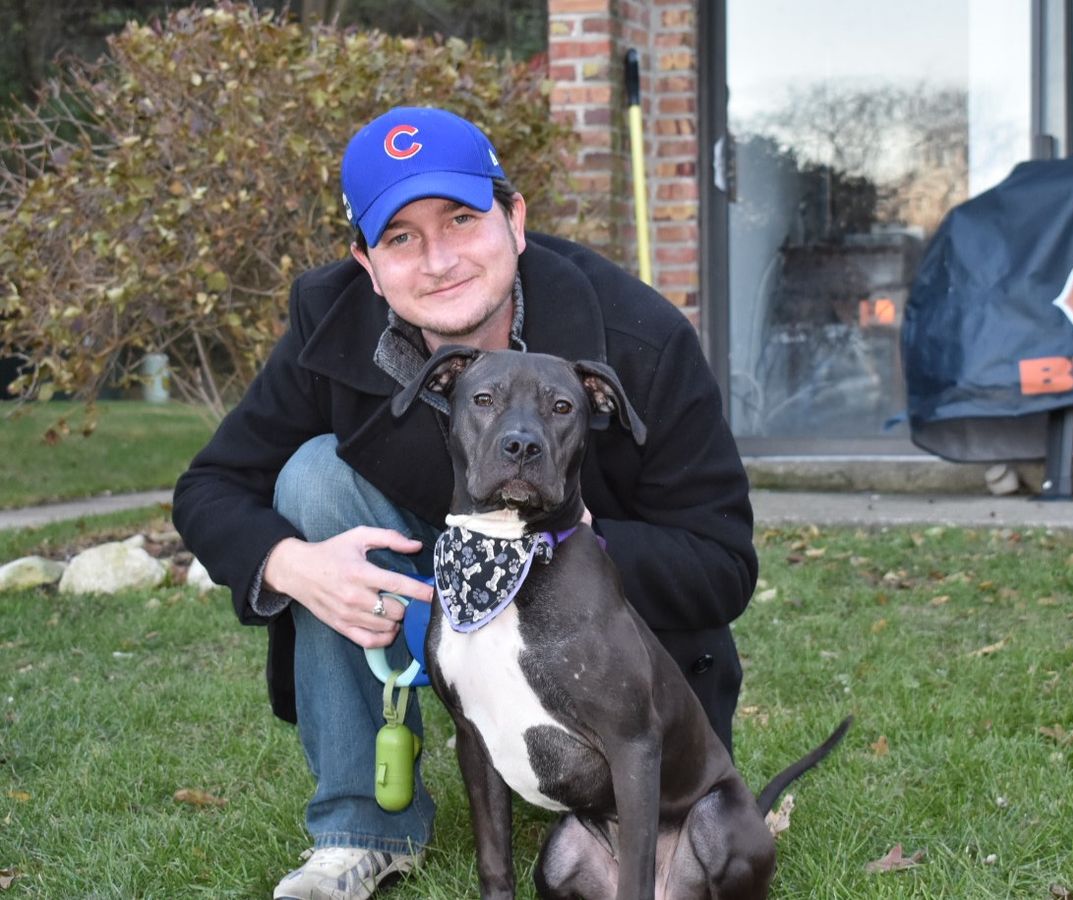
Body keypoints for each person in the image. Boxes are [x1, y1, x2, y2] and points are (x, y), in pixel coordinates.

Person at [173, 106, 757, 900]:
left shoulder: (638, 338)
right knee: (312, 477)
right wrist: (292, 565)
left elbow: (722, 563)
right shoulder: (332, 324)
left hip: (607, 650)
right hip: (428, 564)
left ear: (515, 220)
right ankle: (361, 830)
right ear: (366, 262)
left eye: (460, 219)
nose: (439, 260)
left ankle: (568, 755)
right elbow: (208, 487)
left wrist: (579, 540)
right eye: (400, 238)